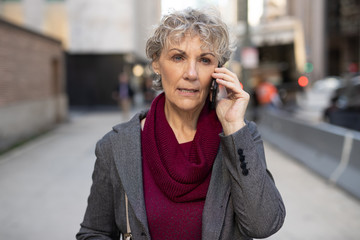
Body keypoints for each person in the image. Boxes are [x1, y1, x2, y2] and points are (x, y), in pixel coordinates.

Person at [77, 8, 285, 240]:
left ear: (219, 71)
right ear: (156, 63)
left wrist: (234, 126)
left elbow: (264, 225)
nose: (191, 73)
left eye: (205, 60)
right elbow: (93, 232)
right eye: (178, 57)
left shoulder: (241, 136)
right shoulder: (117, 146)